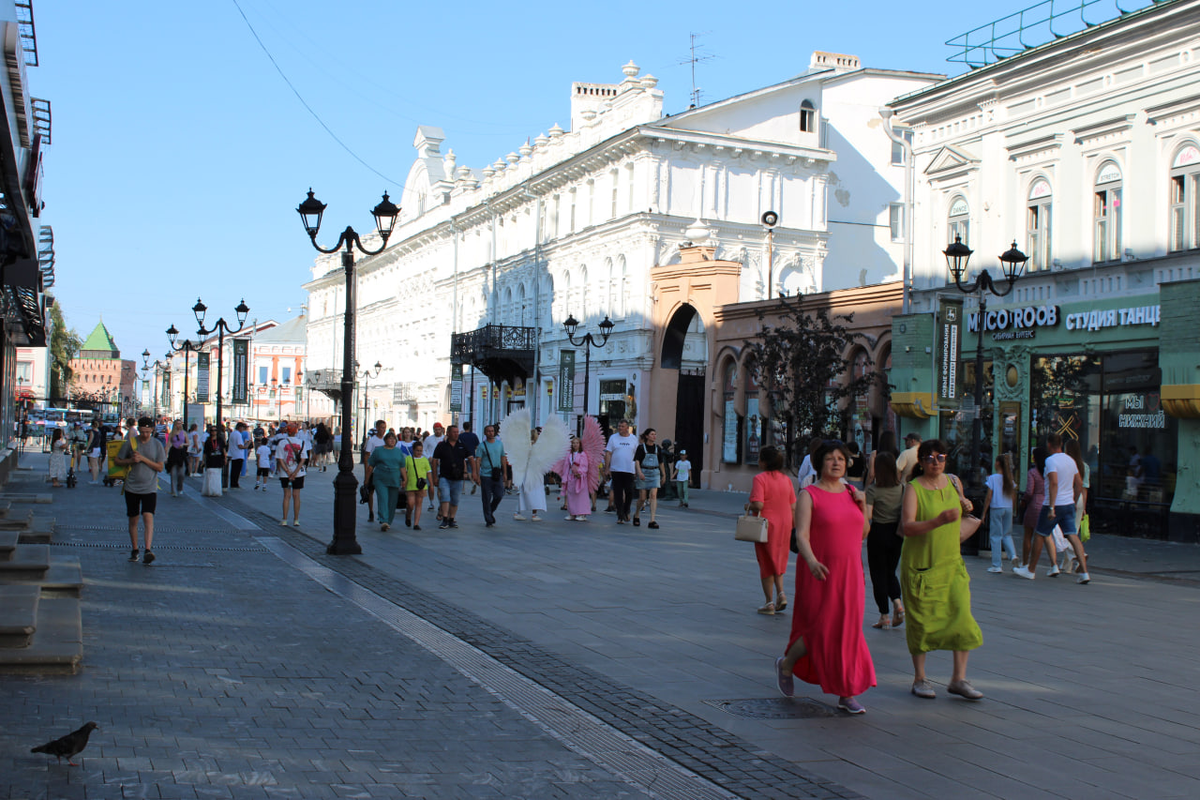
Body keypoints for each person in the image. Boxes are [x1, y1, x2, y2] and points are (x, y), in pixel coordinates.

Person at [774, 440, 874, 715]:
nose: (837, 462)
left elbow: (863, 532)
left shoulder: (853, 492)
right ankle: (787, 663)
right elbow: (801, 535)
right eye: (830, 458)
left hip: (850, 571)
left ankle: (847, 692)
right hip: (819, 570)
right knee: (822, 627)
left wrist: (863, 505)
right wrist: (811, 560)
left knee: (848, 629)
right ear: (820, 463)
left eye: (841, 458)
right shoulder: (809, 495)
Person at [900, 438, 984, 701]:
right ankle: (920, 678)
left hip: (951, 564)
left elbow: (962, 505)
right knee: (921, 623)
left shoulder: (953, 482)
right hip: (922, 566)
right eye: (928, 458)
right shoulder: (913, 489)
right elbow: (907, 527)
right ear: (921, 462)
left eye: (940, 457)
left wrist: (966, 504)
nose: (935, 462)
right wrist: (937, 521)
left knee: (962, 618)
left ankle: (958, 679)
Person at [1015, 434, 1089, 583]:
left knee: (1040, 534)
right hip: (1068, 504)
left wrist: (1051, 507)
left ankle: (1031, 570)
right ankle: (1084, 573)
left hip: (1054, 503)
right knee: (1072, 535)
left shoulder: (1050, 461)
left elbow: (1054, 482)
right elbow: (1079, 483)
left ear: (1049, 444)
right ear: (1061, 444)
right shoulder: (1071, 461)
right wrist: (1074, 500)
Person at [746, 445, 796, 615]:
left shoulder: (760, 479)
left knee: (766, 561)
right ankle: (781, 593)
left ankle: (769, 603)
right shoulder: (786, 479)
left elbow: (759, 504)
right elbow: (793, 505)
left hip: (766, 525)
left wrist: (749, 505)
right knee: (779, 558)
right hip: (785, 523)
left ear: (764, 462)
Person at [113, 417, 167, 565]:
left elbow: (160, 467)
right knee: (133, 518)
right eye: (142, 432)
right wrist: (130, 461)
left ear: (152, 430)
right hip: (131, 486)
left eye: (148, 432)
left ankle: (148, 549)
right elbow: (117, 460)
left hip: (150, 487)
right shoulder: (131, 443)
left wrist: (143, 459)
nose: (145, 435)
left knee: (148, 516)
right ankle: (135, 549)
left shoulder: (156, 445)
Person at [865, 452, 905, 629]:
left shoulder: (873, 490)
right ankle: (897, 602)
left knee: (878, 574)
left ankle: (884, 615)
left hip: (878, 532)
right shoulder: (902, 489)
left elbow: (868, 515)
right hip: (897, 534)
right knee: (890, 571)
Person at [982, 454, 1018, 574]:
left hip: (996, 507)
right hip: (1008, 507)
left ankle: (997, 565)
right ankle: (1013, 555)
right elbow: (1013, 496)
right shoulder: (1009, 479)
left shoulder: (992, 478)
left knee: (995, 536)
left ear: (997, 463)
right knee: (1007, 534)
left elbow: (989, 496)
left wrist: (984, 512)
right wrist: (1013, 509)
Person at [431, 424, 471, 530]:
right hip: (444, 476)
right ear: (448, 433)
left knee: (455, 499)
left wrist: (473, 472)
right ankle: (444, 519)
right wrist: (435, 477)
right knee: (445, 496)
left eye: (457, 432)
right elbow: (434, 461)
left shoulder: (462, 445)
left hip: (458, 477)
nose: (456, 434)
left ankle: (451, 519)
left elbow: (470, 457)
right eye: (454, 432)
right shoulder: (441, 446)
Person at [1016, 447, 1047, 571]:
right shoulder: (1048, 472)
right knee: (1040, 536)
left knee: (1028, 536)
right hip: (1045, 503)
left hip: (1034, 504)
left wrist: (1023, 501)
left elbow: (1029, 491)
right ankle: (1037, 563)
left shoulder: (1032, 473)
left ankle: (1025, 563)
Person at [368, 431, 406, 531]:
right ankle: (383, 519)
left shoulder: (398, 452)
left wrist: (405, 479)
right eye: (390, 438)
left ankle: (388, 521)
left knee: (392, 502)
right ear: (385, 440)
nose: (392, 440)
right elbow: (371, 465)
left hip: (394, 479)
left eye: (394, 439)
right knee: (383, 498)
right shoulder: (378, 451)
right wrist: (366, 479)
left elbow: (402, 466)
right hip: (380, 479)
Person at [603, 419, 638, 524]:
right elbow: (608, 453)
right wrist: (607, 468)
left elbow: (637, 456)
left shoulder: (633, 439)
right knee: (617, 493)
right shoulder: (613, 438)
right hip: (616, 469)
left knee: (629, 492)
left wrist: (637, 469)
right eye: (619, 426)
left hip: (629, 470)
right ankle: (620, 514)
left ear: (627, 428)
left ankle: (627, 510)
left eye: (622, 426)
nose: (620, 428)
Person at [1062, 440, 1089, 574]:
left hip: (1068, 498)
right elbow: (1084, 488)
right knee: (1073, 531)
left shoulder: (1067, 464)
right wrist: (1084, 506)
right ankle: (1067, 566)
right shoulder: (1084, 466)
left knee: (1065, 533)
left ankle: (1078, 555)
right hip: (1080, 500)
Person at [276, 422, 310, 527]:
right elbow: (303, 459)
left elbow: (280, 459)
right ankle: (296, 519)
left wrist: (287, 471)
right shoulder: (301, 443)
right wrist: (295, 473)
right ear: (296, 431)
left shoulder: (282, 443)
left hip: (285, 473)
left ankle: (284, 519)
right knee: (296, 496)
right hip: (298, 473)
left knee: (286, 496)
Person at [632, 428, 667, 529]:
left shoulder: (658, 448)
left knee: (653, 496)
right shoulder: (641, 448)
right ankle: (637, 514)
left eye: (655, 434)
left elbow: (661, 462)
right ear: (647, 436)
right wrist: (639, 472)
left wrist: (663, 474)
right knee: (642, 498)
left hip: (654, 473)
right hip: (644, 472)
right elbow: (637, 461)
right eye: (652, 434)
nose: (654, 436)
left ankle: (652, 520)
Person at [473, 424, 507, 527]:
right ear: (485, 433)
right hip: (485, 475)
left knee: (499, 495)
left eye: (492, 431)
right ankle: (488, 519)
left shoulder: (500, 444)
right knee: (486, 498)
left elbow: (503, 458)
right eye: (488, 431)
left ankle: (490, 511)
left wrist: (505, 473)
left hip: (497, 474)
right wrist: (477, 475)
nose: (490, 433)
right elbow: (478, 460)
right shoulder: (482, 446)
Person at [402, 440, 433, 529]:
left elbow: (428, 472)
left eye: (420, 451)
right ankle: (408, 515)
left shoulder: (424, 460)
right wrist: (404, 481)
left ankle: (416, 523)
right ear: (413, 450)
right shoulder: (408, 459)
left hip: (421, 486)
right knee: (410, 504)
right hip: (410, 485)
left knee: (419, 504)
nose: (419, 452)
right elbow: (405, 471)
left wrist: (431, 484)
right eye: (417, 450)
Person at [362, 420, 388, 523]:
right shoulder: (372, 441)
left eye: (384, 427)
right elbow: (367, 456)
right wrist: (366, 472)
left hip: (383, 470)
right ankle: (371, 511)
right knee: (371, 492)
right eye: (381, 427)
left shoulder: (386, 441)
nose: (383, 430)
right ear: (377, 428)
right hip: (373, 470)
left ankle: (381, 513)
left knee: (382, 492)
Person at [563, 437, 591, 521]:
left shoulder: (582, 454)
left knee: (581, 496)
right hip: (571, 477)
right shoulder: (569, 455)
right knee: (571, 495)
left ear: (580, 444)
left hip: (580, 478)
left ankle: (582, 514)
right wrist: (565, 477)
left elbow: (585, 465)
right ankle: (572, 513)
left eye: (577, 443)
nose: (575, 444)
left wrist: (580, 472)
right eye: (574, 443)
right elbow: (566, 466)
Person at [423, 422, 446, 512]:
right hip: (431, 464)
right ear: (433, 430)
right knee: (431, 485)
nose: (437, 431)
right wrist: (428, 456)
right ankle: (431, 502)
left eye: (439, 429)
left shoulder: (445, 439)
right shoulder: (429, 439)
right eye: (436, 430)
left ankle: (441, 503)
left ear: (441, 429)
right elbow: (423, 449)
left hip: (441, 464)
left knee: (441, 485)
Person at [201, 424, 226, 497]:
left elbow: (223, 450)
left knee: (217, 475)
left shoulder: (220, 440)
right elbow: (205, 452)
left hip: (218, 459)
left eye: (215, 430)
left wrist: (225, 458)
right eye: (212, 431)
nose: (213, 432)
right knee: (210, 475)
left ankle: (216, 490)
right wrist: (203, 461)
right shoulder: (208, 441)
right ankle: (210, 490)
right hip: (210, 460)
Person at [165, 420, 188, 497]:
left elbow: (188, 443)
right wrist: (166, 455)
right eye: (177, 424)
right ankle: (173, 490)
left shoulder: (184, 433)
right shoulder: (172, 433)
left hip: (181, 453)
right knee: (173, 473)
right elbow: (168, 444)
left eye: (180, 424)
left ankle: (180, 487)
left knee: (181, 473)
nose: (178, 425)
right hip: (173, 453)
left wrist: (183, 444)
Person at [459, 421, 480, 494]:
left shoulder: (461, 436)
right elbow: (477, 446)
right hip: (471, 455)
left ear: (463, 427)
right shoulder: (474, 435)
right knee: (470, 471)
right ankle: (473, 482)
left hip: (462, 455)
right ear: (470, 427)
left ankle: (463, 489)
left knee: (463, 471)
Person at [227, 422, 249, 489]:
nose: (243, 429)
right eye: (242, 428)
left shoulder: (232, 433)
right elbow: (240, 445)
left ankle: (232, 483)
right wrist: (246, 446)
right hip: (238, 454)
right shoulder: (238, 434)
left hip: (233, 454)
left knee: (233, 470)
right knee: (237, 470)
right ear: (240, 427)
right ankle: (235, 483)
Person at [87, 419, 107, 485]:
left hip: (93, 448)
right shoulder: (98, 431)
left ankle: (94, 479)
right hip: (98, 448)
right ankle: (96, 478)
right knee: (96, 463)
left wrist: (87, 448)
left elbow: (90, 441)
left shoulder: (92, 432)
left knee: (93, 464)